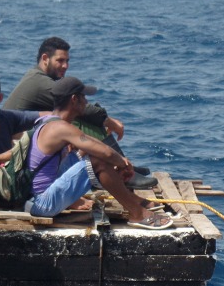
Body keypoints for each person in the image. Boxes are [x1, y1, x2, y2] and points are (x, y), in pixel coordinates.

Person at [3, 37, 154, 188]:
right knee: (84, 120)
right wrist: (110, 121)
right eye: (60, 60)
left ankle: (122, 164)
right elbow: (78, 106)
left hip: (33, 140)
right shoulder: (38, 81)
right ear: (45, 58)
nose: (65, 66)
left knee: (83, 118)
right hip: (17, 146)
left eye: (67, 61)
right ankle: (121, 169)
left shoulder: (37, 77)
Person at [25, 76, 172, 229]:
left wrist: (117, 163)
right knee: (99, 161)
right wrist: (123, 164)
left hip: (37, 198)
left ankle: (131, 199)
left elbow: (91, 146)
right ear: (74, 99)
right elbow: (106, 154)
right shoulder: (59, 127)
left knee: (94, 156)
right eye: (84, 97)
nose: (86, 102)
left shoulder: (49, 122)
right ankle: (138, 214)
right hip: (43, 203)